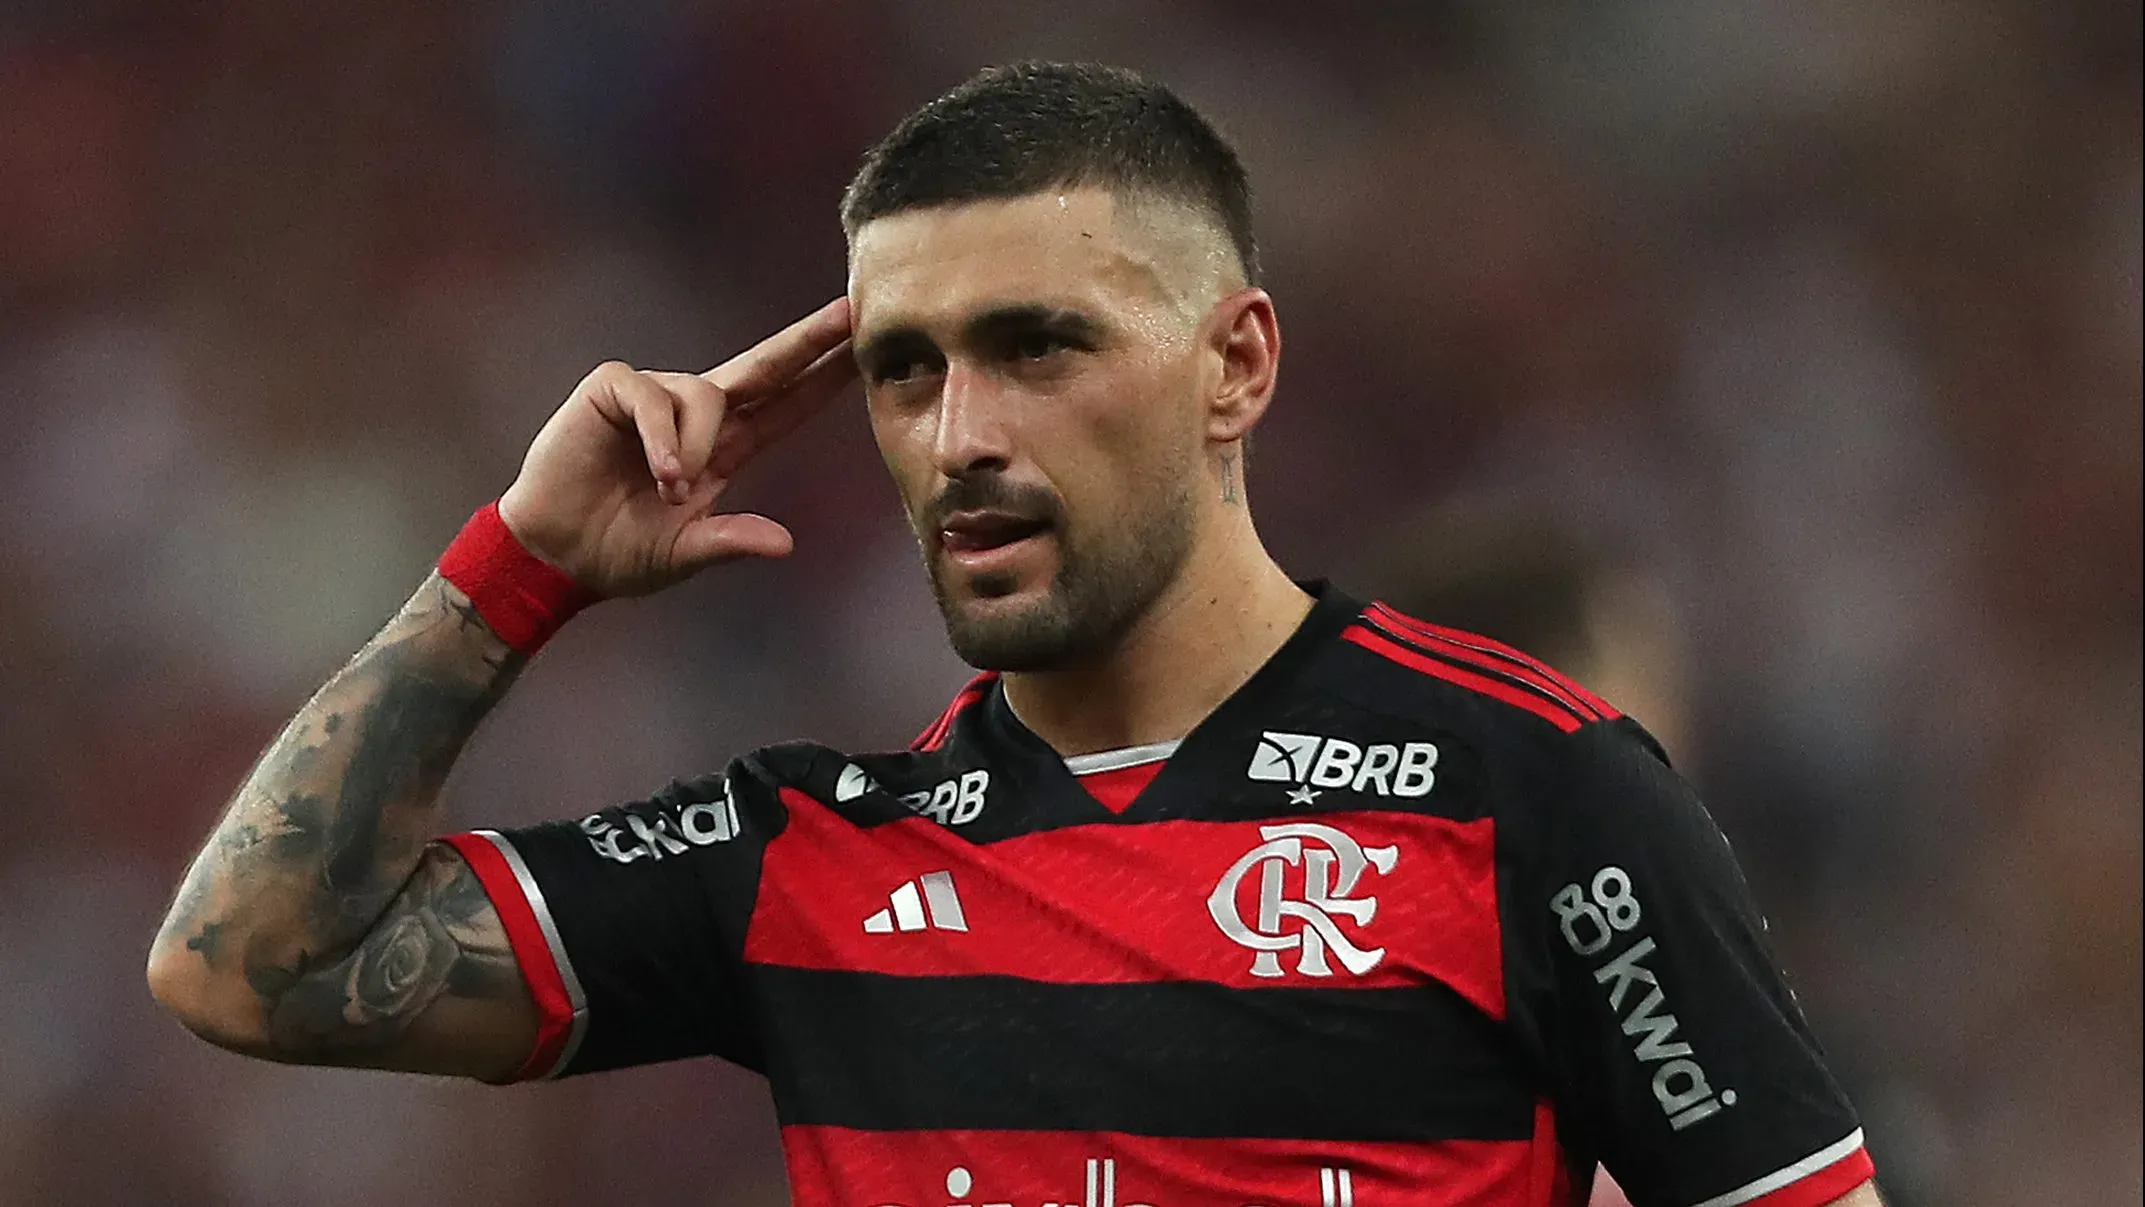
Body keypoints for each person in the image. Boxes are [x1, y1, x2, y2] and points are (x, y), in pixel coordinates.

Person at [147, 62, 1883, 1207]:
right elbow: (252, 962)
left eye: (1038, 344)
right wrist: (520, 565)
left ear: (1238, 365)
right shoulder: (803, 857)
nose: (960, 428)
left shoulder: (1535, 790)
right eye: (906, 368)